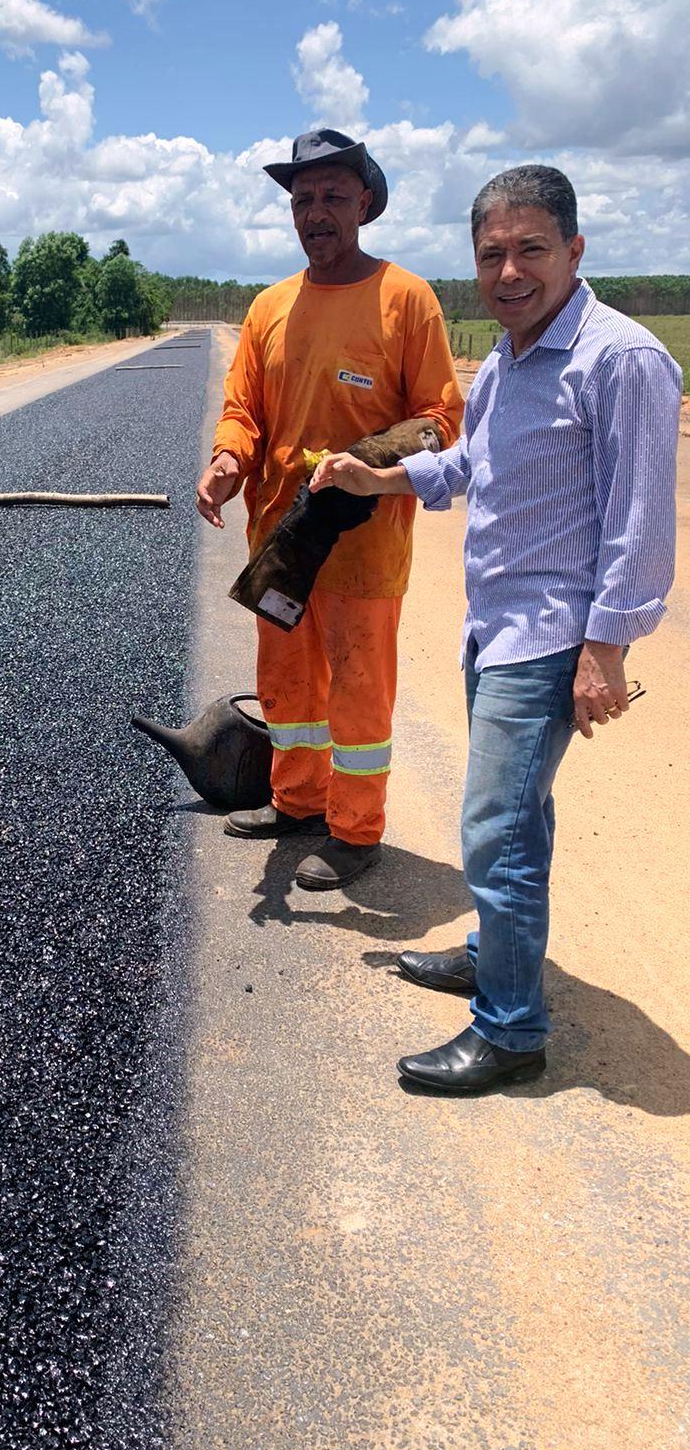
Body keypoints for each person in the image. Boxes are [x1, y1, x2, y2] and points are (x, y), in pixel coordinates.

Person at [309, 164, 681, 1092]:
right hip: (497, 626)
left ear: (574, 251)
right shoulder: (512, 360)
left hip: (552, 635)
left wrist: (607, 649)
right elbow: (473, 460)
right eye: (492, 255)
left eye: (531, 250)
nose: (510, 271)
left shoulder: (621, 360)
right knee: (518, 817)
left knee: (494, 828)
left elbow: (640, 520)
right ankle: (494, 948)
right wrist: (382, 478)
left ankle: (512, 1028)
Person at [197, 129, 463, 890]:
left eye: (334, 197)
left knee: (356, 688)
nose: (317, 212)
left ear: (366, 204)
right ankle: (297, 801)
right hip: (279, 538)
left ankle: (354, 830)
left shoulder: (405, 299)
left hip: (363, 544)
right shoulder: (269, 308)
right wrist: (226, 460)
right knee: (288, 683)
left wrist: (368, 463)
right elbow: (242, 409)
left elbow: (441, 417)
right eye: (304, 198)